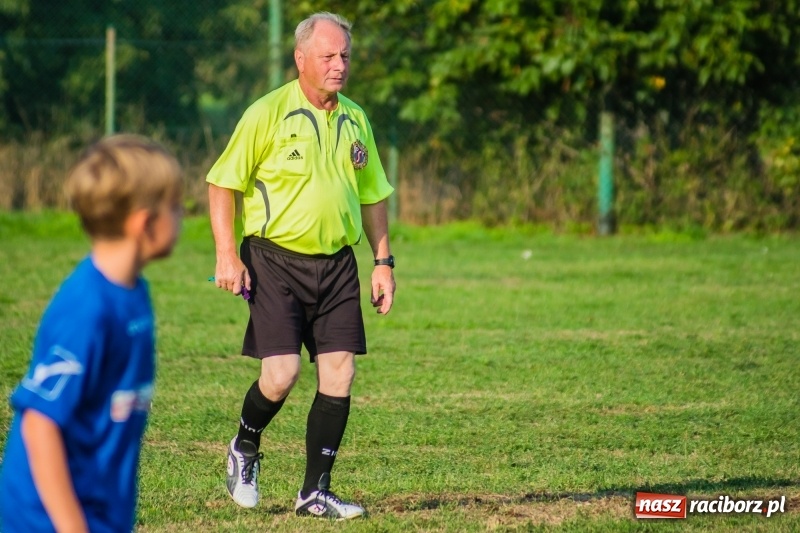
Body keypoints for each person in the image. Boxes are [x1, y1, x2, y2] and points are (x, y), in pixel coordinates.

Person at [206, 11, 395, 520]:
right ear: (300, 58)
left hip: (337, 263)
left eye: (345, 56)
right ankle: (245, 445)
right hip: (273, 261)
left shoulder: (355, 118)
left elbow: (374, 194)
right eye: (328, 56)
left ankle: (315, 492)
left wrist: (382, 262)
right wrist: (226, 254)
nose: (339, 65)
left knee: (340, 372)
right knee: (282, 374)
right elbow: (222, 183)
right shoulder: (267, 113)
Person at [0, 135, 184, 533]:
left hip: (101, 510)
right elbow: (39, 424)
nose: (182, 215)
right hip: (43, 521)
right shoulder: (87, 309)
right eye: (175, 206)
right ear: (144, 223)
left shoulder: (133, 291)